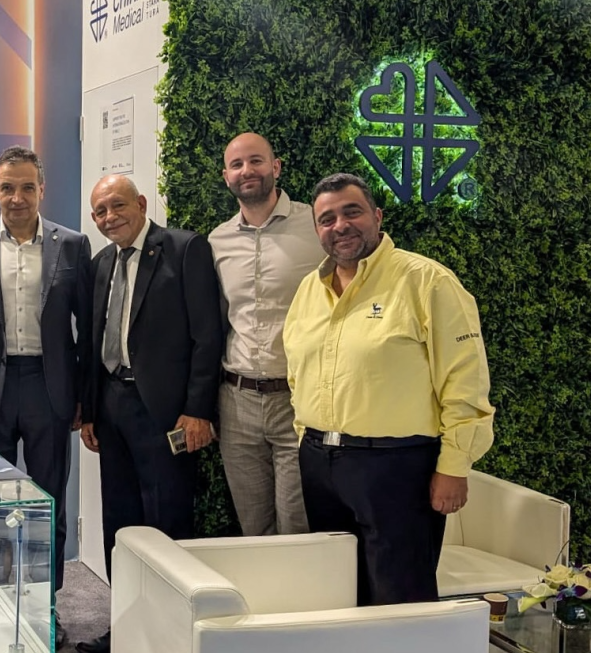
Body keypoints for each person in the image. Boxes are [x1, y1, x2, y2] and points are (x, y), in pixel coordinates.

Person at [283, 173, 495, 605]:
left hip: (397, 466)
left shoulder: (427, 281)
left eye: (352, 212)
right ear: (317, 230)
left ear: (377, 216)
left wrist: (454, 466)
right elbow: (297, 372)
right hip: (320, 462)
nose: (340, 225)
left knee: (401, 598)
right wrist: (307, 438)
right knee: (337, 593)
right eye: (327, 219)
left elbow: (465, 380)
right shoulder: (309, 289)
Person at [76, 175, 223, 653]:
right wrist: (91, 411)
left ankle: (172, 633)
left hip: (165, 413)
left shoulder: (184, 249)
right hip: (112, 406)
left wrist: (197, 410)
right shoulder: (101, 263)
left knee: (167, 519)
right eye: (100, 211)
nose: (109, 217)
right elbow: (92, 343)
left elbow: (207, 337)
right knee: (120, 522)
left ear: (141, 203)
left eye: (117, 205)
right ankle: (125, 624)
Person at [0, 145, 91, 649]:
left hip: (49, 389)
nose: (17, 197)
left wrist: (84, 398)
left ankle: (44, 604)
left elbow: (87, 330)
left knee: (48, 503)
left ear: (41, 190)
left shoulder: (71, 245)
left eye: (27, 187)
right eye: (7, 187)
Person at [209, 132, 324, 536]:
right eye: (237, 165)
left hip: (298, 400)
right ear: (226, 176)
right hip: (237, 402)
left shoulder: (316, 227)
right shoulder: (217, 240)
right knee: (254, 529)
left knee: (297, 527)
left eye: (256, 161)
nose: (247, 171)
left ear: (275, 167)